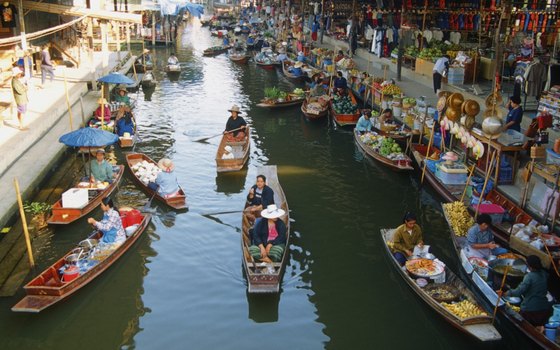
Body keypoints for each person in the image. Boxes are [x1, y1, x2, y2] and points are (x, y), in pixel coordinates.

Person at [504, 255, 552, 329]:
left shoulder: (529, 276)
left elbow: (518, 292)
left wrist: (506, 293)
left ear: (530, 266)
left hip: (530, 311)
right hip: (544, 309)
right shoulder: (544, 274)